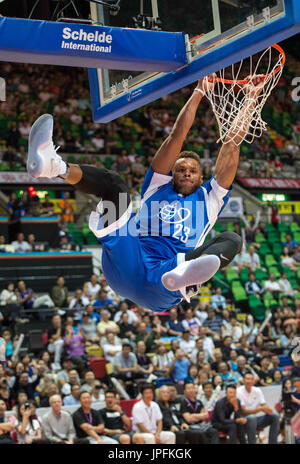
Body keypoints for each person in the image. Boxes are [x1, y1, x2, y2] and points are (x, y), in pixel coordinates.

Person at [27, 76, 266, 313]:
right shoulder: (157, 185)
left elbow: (232, 145)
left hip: (167, 275)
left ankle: (187, 280)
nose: (185, 173)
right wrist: (199, 91)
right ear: (171, 173)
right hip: (131, 256)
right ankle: (55, 166)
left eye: (192, 171)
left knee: (232, 240)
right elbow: (177, 135)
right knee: (115, 186)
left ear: (201, 178)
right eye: (180, 169)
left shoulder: (211, 198)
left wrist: (251, 99)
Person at [237, 372, 280, 444]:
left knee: (275, 416)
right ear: (243, 380)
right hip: (243, 420)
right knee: (252, 417)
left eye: (251, 379)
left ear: (254, 381)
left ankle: (273, 442)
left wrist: (268, 410)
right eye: (247, 379)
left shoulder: (257, 390)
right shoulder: (239, 391)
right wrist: (260, 409)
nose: (249, 381)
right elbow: (243, 411)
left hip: (257, 420)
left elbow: (264, 405)